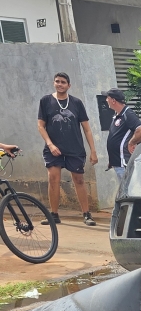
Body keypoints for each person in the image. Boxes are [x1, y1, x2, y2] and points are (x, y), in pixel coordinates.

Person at [36, 72, 97, 226]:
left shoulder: (76, 103)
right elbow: (40, 126)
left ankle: (86, 214)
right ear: (53, 83)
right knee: (53, 178)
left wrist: (93, 151)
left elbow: (87, 129)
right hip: (53, 149)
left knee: (79, 179)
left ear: (69, 85)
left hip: (74, 148)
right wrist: (50, 144)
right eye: (57, 81)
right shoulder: (45, 101)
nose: (59, 84)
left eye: (63, 82)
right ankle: (54, 215)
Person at [104, 89, 141, 184]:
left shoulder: (128, 114)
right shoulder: (118, 115)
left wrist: (132, 142)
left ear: (113, 100)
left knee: (127, 191)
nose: (106, 100)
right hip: (117, 162)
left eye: (108, 98)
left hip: (124, 163)